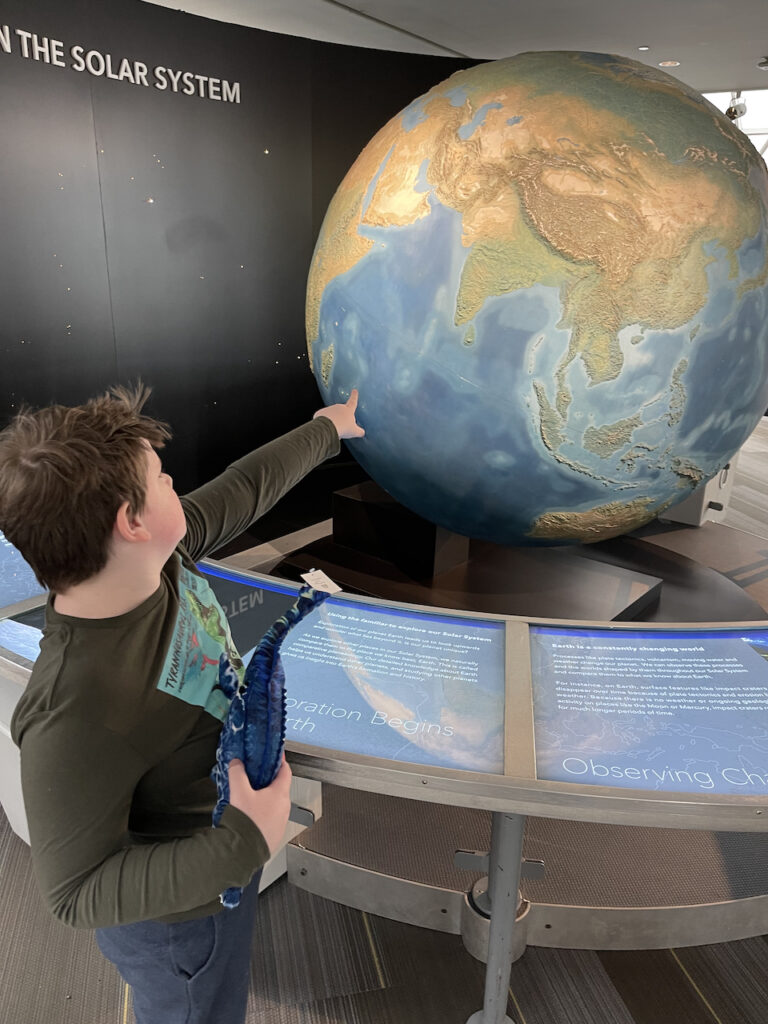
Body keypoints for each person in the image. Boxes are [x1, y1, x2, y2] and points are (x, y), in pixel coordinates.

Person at [0, 382, 364, 1024]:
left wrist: (326, 430)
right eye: (163, 478)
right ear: (130, 522)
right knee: (197, 1009)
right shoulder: (71, 711)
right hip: (175, 923)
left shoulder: (161, 559)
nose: (176, 486)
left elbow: (244, 486)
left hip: (224, 841)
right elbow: (75, 892)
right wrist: (243, 843)